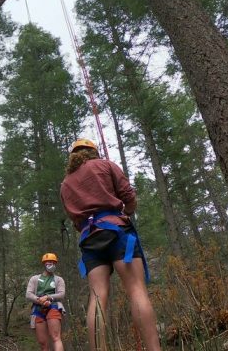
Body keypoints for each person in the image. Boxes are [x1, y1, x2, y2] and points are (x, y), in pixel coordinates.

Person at [60, 139, 161, 351]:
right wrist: (127, 212)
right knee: (136, 289)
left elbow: (75, 219)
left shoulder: (66, 183)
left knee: (97, 297)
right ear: (93, 151)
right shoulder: (105, 165)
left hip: (90, 239)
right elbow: (128, 196)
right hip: (117, 231)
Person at [25, 253, 66, 351]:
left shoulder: (59, 280)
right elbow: (28, 294)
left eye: (52, 262)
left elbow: (61, 294)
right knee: (43, 343)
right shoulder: (34, 279)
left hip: (54, 307)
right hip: (38, 309)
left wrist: (48, 297)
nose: (50, 264)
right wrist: (40, 301)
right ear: (44, 264)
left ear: (55, 264)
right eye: (48, 263)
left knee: (56, 338)